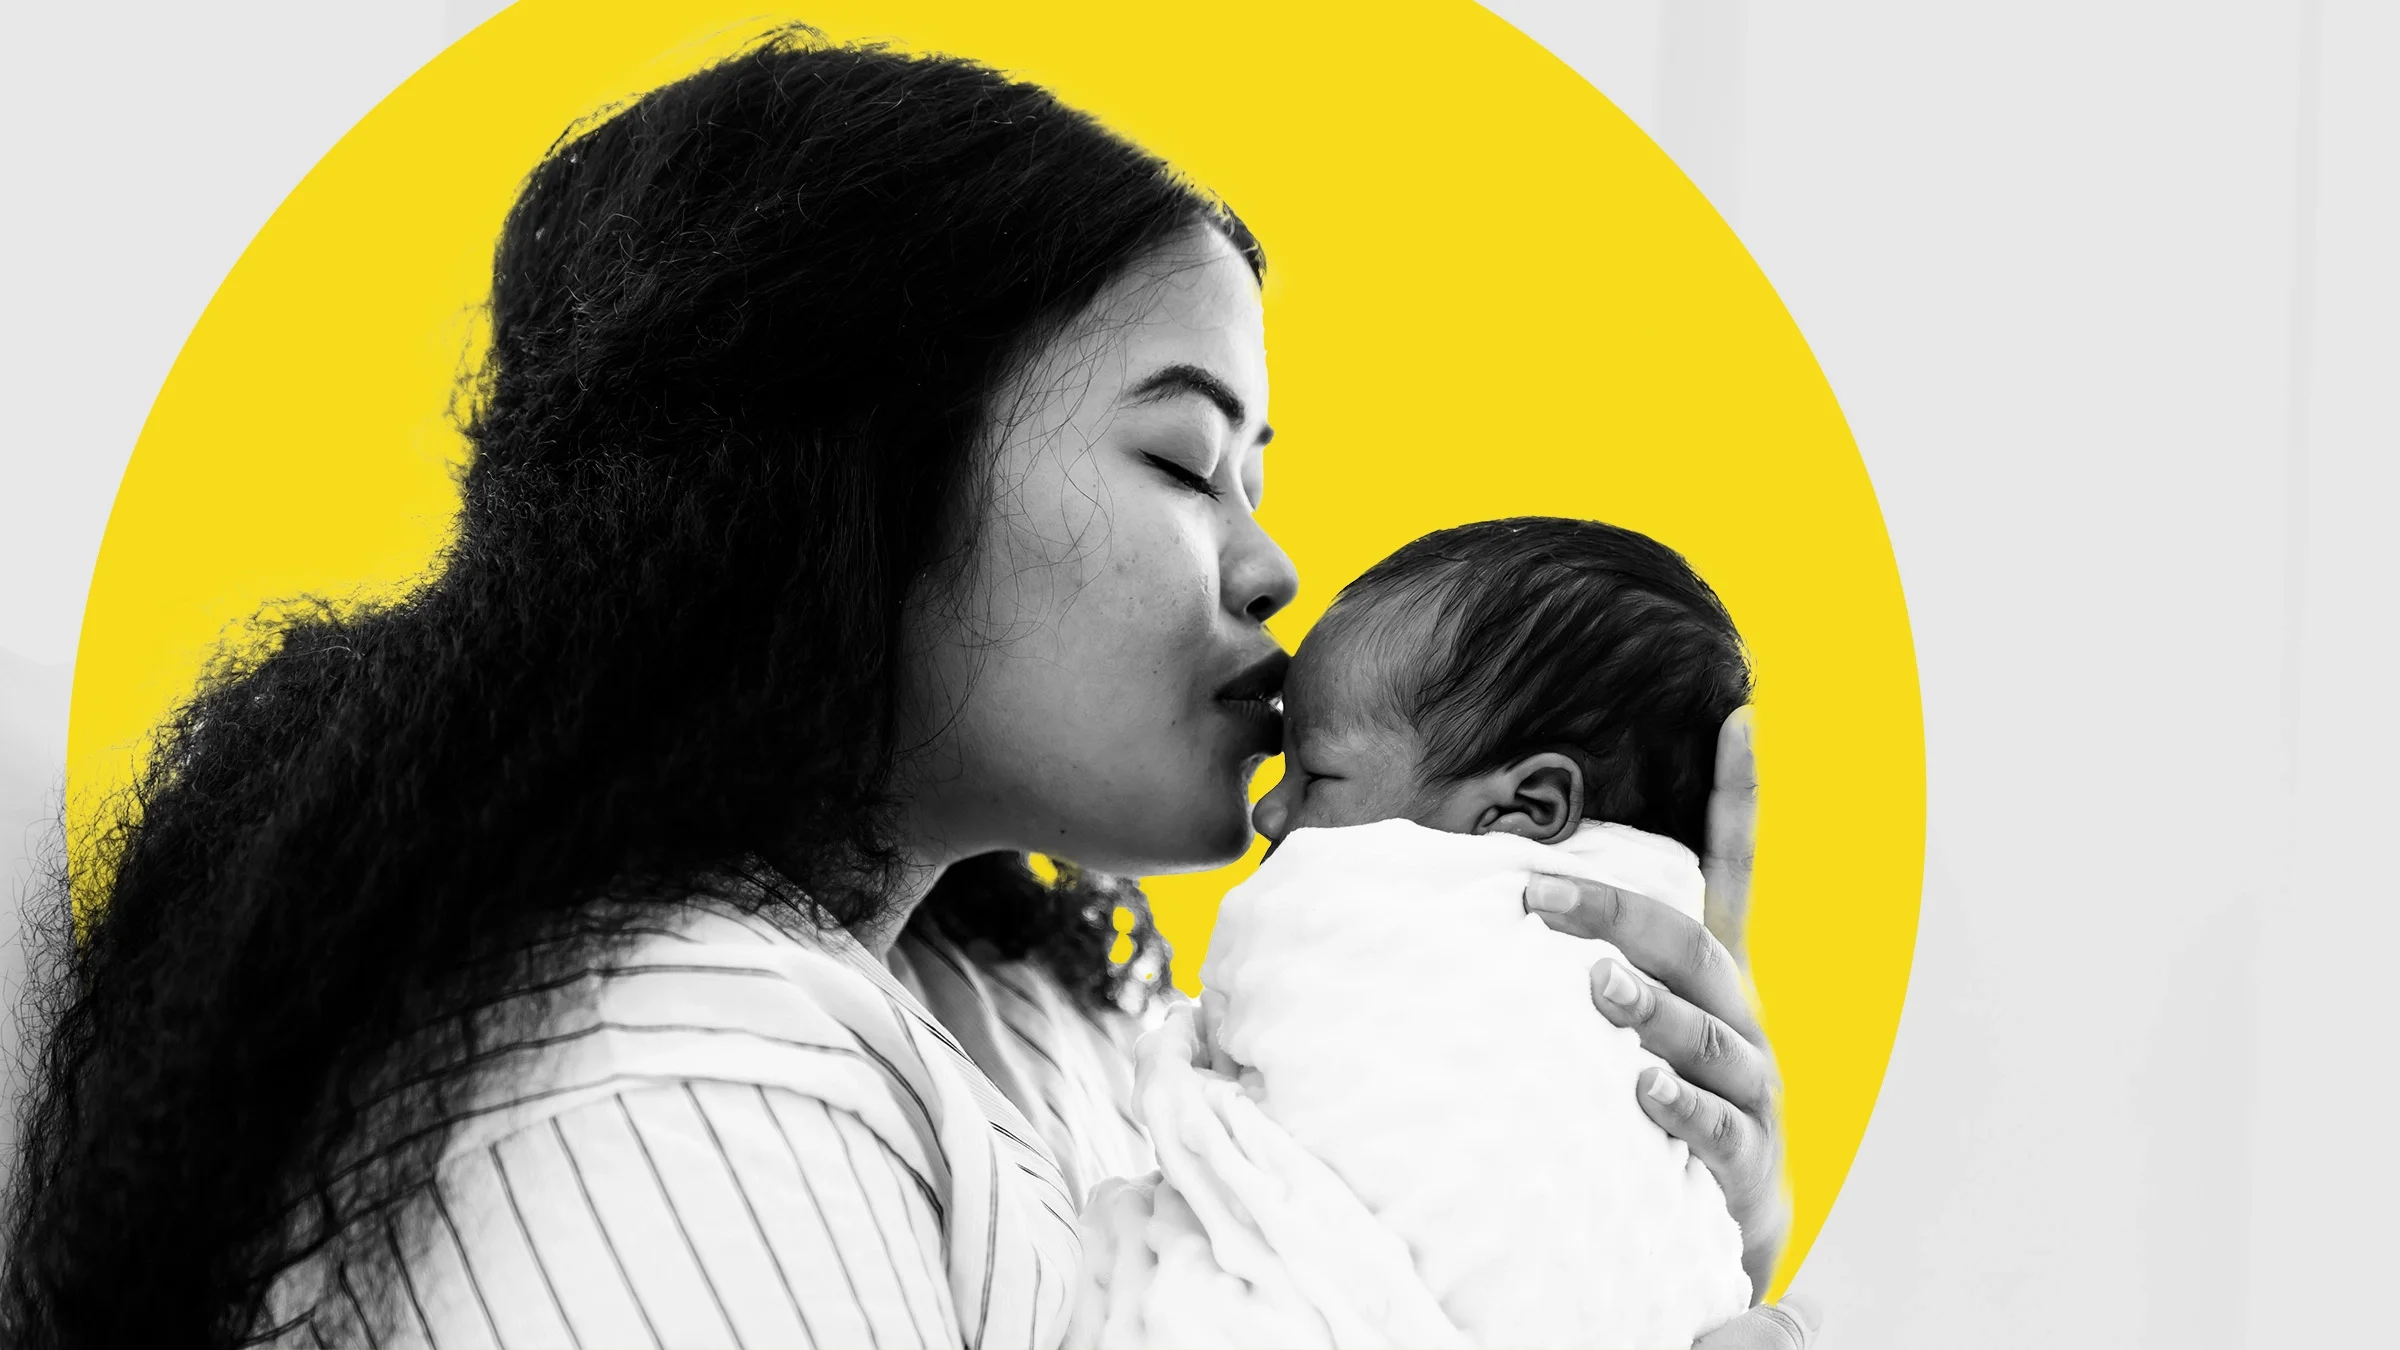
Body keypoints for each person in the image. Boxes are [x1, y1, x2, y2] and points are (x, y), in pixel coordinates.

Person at [0, 30, 1808, 1350]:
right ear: (868, 469)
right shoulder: (667, 1064)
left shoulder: (1040, 1021)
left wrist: (1612, 1199)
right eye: (1189, 465)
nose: (1274, 571)